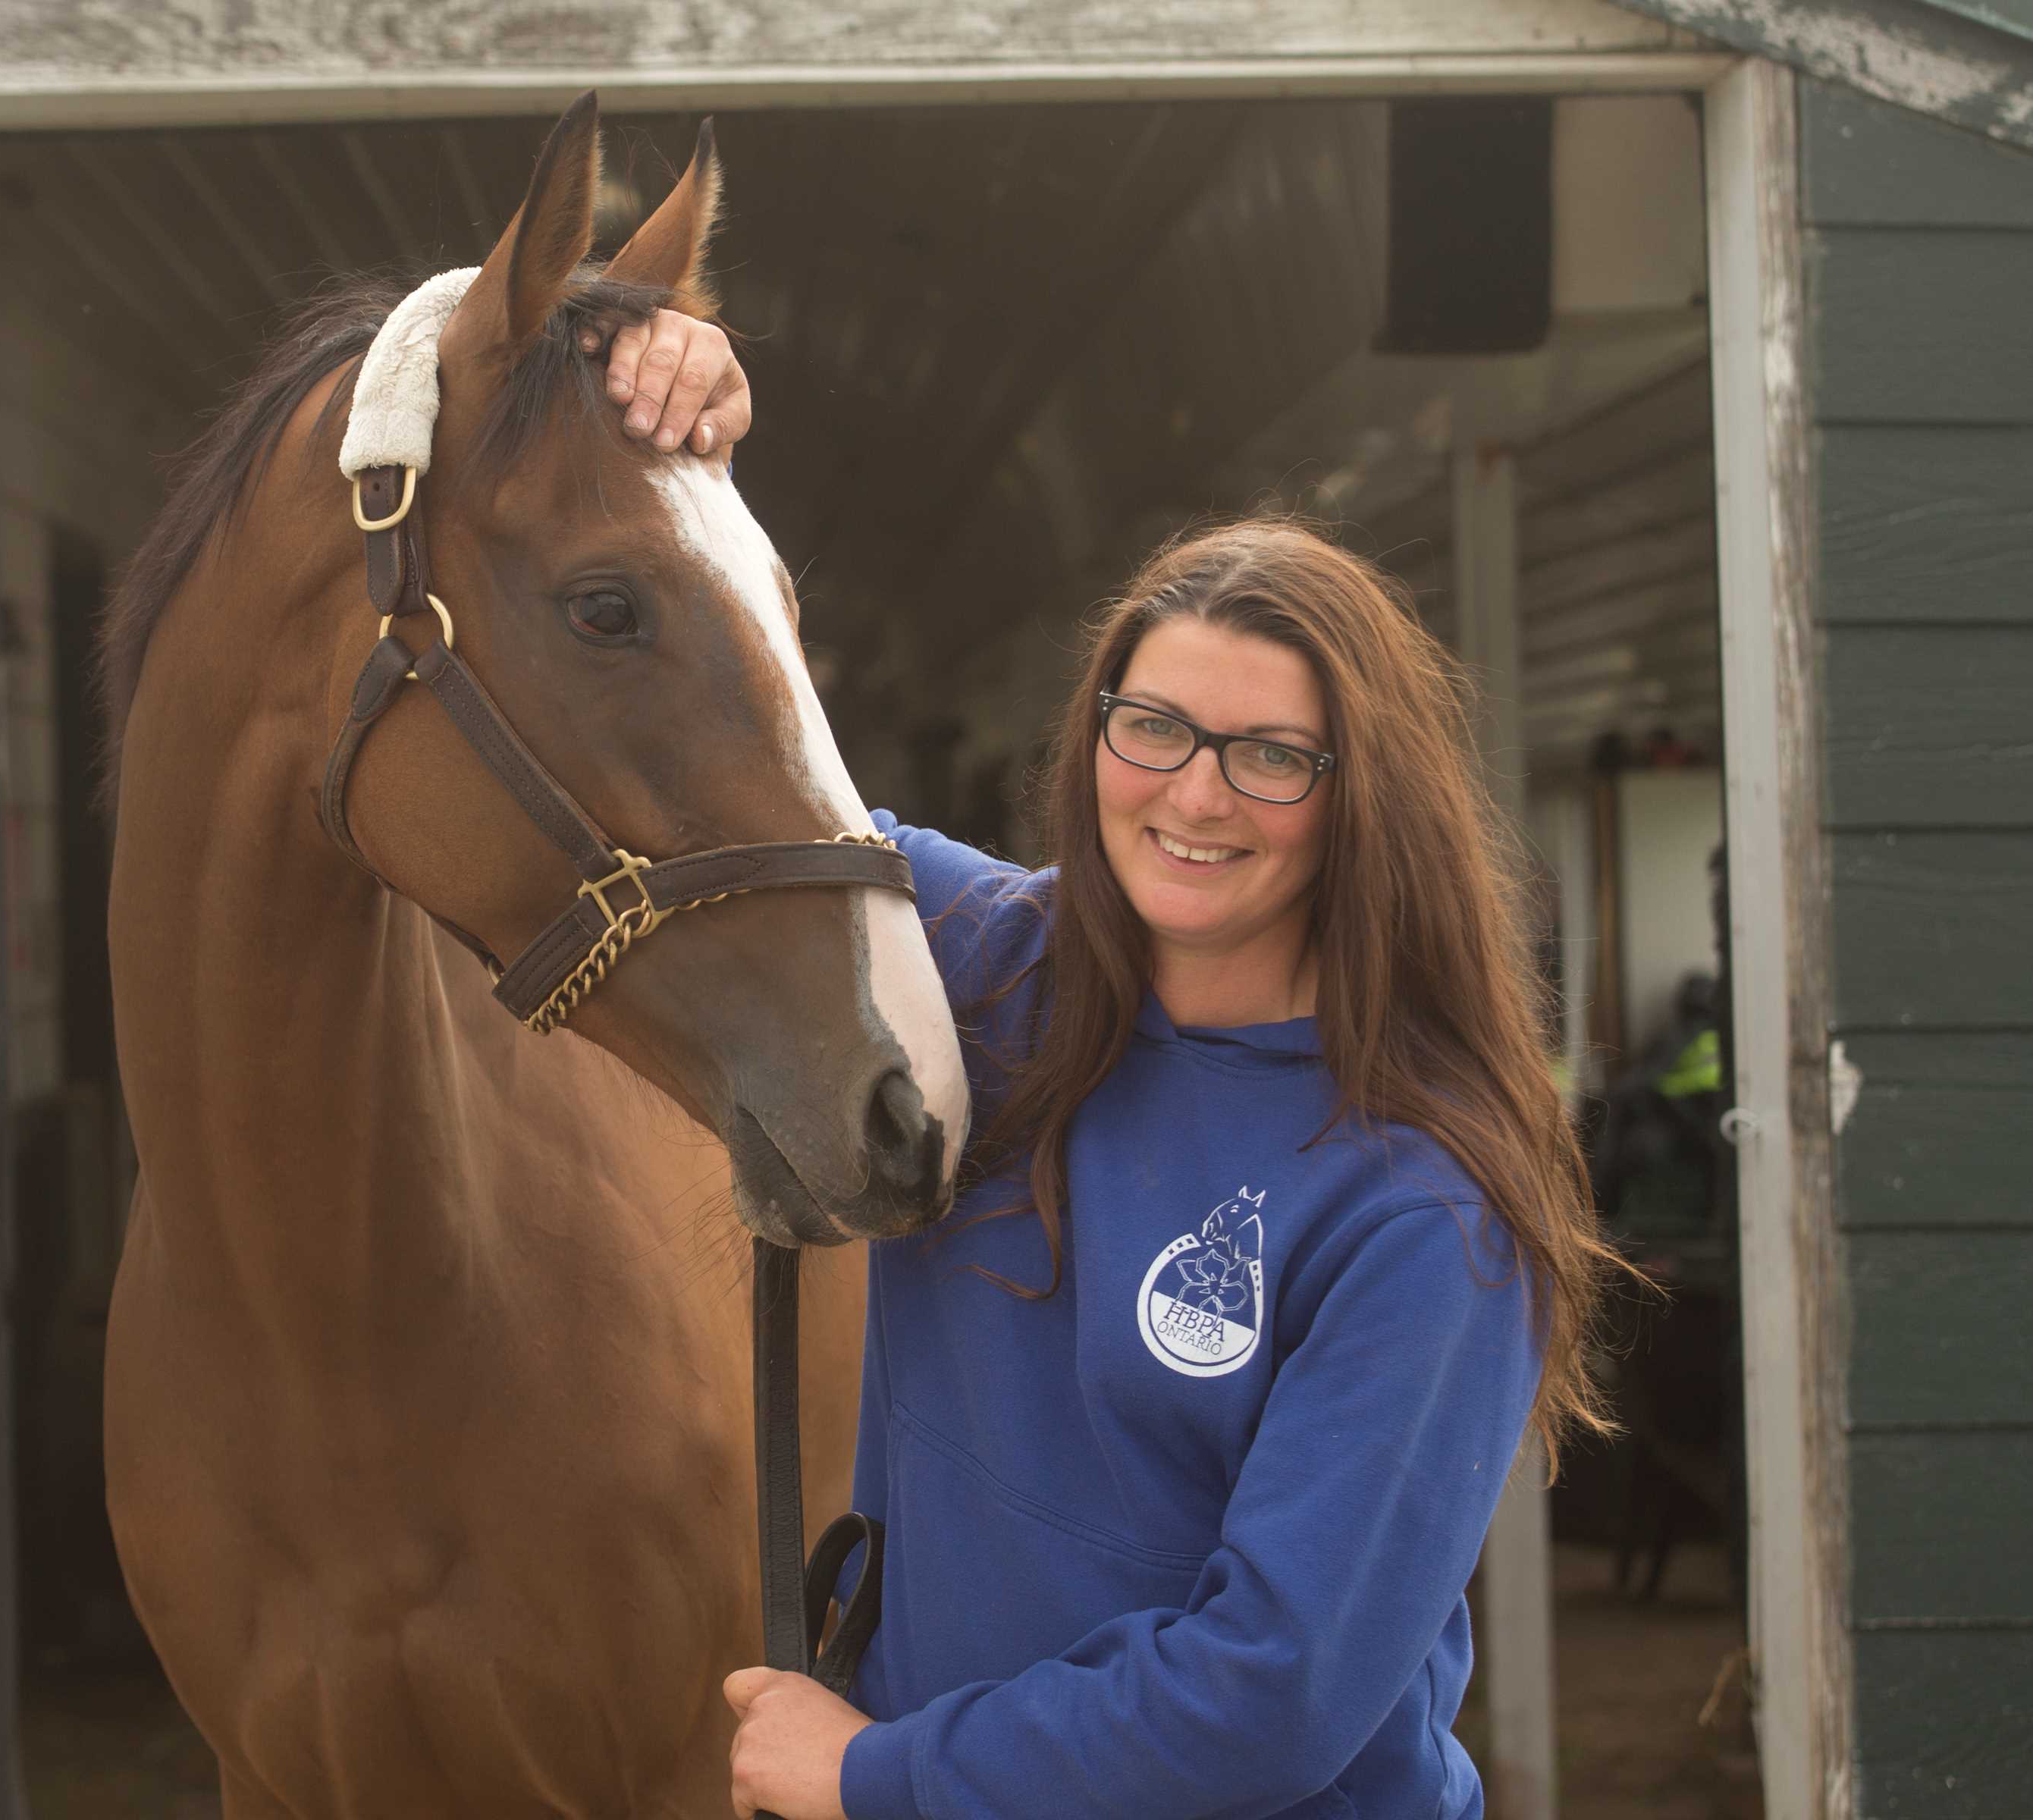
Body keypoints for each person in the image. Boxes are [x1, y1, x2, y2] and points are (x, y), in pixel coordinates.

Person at [592, 318, 1620, 1820]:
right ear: (1093, 740)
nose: (1196, 793)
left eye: (1272, 754)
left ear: (1363, 800)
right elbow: (691, 770)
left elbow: (1271, 1693)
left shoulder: (1424, 1202)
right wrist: (669, 445)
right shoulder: (972, 957)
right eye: (1155, 728)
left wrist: (879, 1772)